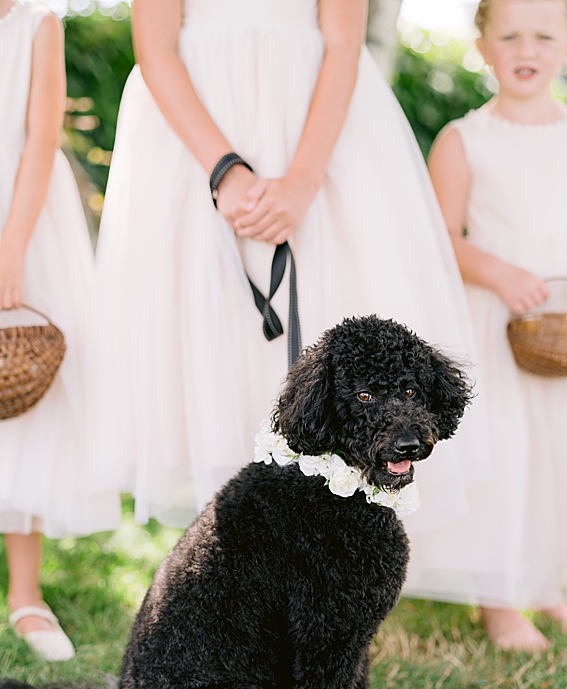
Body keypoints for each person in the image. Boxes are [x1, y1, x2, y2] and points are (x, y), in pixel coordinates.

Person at [93, 0, 488, 531]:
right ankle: (234, 540)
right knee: (211, 336)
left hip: (317, 128)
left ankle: (336, 532)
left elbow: (344, 42)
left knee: (338, 332)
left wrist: (303, 181)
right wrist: (224, 170)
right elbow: (155, 44)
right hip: (193, 128)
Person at [0, 0, 120, 662]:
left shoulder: (37, 18)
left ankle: (26, 594)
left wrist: (12, 251)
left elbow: (42, 137)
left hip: (26, 215)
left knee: (28, 391)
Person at [404, 0, 567, 651]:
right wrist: (498, 271)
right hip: (496, 321)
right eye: (510, 36)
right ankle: (498, 599)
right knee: (505, 454)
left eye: (544, 36)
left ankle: (549, 582)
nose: (527, 50)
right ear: (482, 46)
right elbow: (440, 237)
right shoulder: (464, 138)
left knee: (555, 457)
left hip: (559, 321)